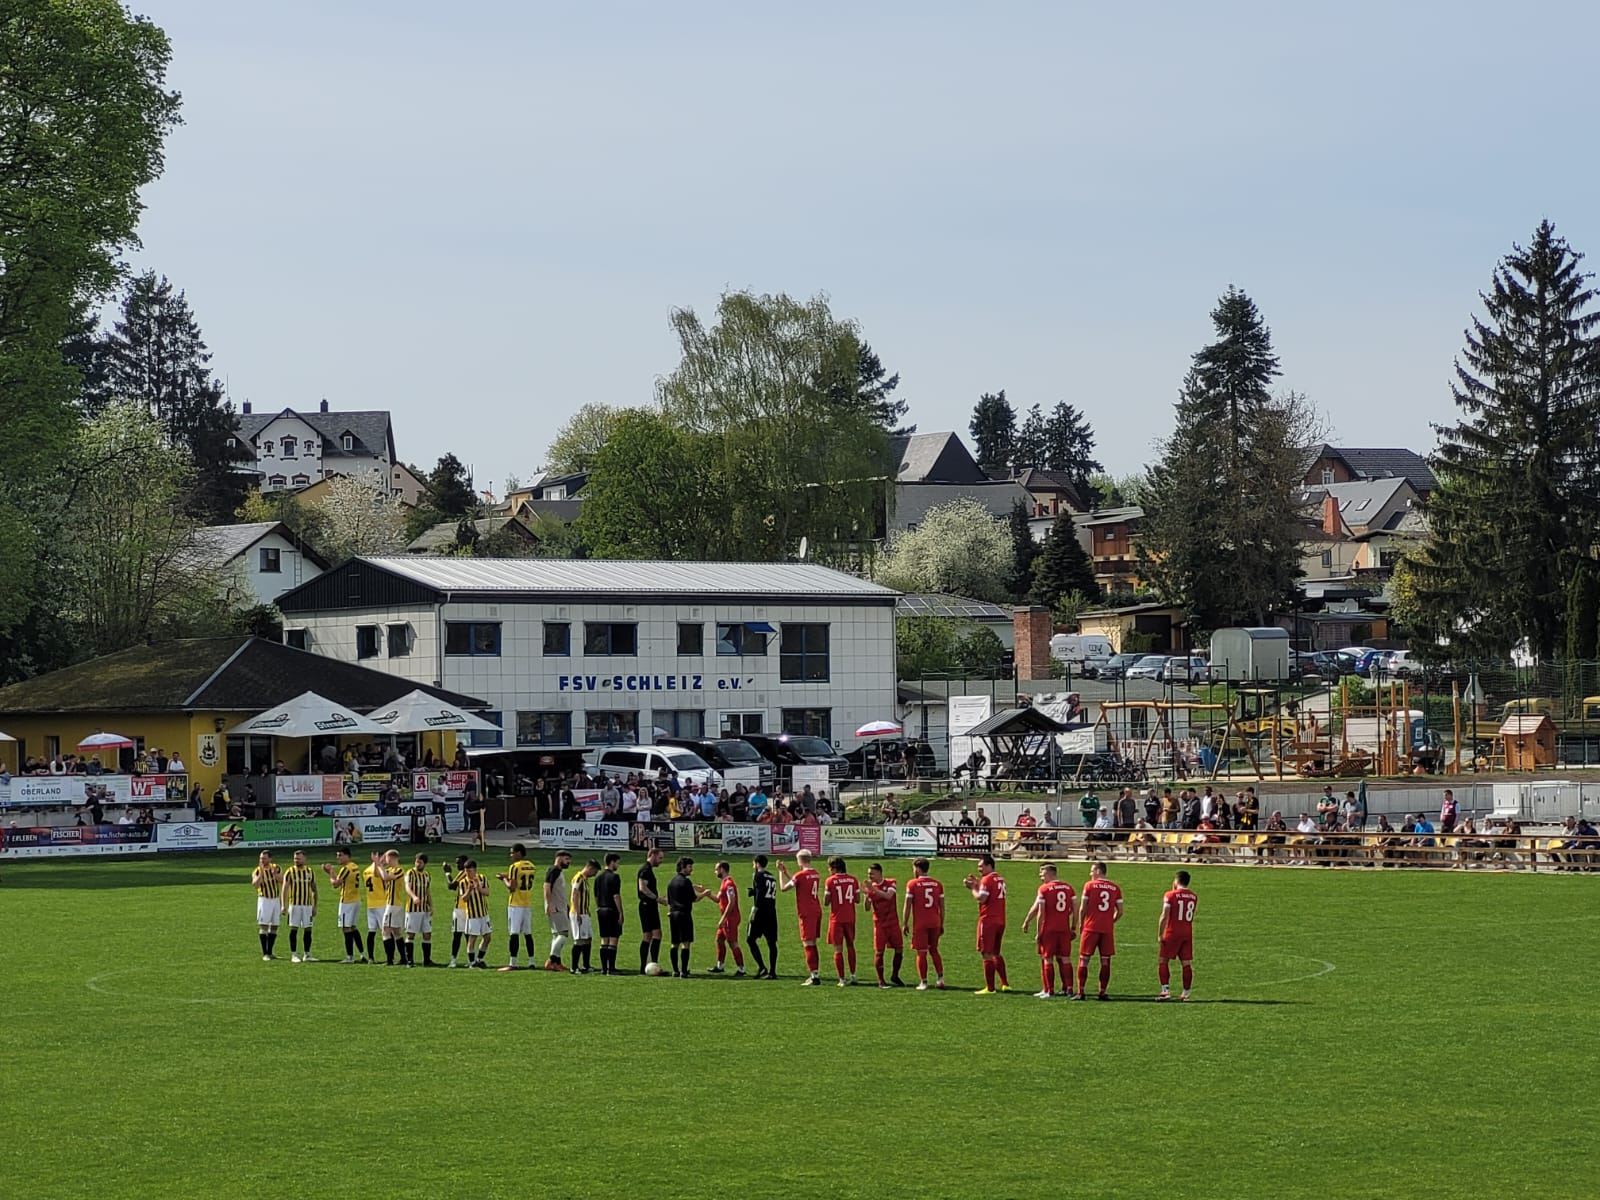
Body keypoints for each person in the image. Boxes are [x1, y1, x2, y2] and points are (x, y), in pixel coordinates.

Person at [1020, 862, 1076, 999]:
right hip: (1064, 928)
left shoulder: (1044, 889)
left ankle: (1049, 991)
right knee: (1065, 958)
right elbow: (1075, 909)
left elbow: (1040, 912)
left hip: (1049, 929)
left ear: (1050, 874)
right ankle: (1069, 989)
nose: (1040, 876)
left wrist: (1038, 931)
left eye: (1042, 873)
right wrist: (1073, 927)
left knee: (1047, 959)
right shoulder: (1069, 888)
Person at [1076, 861, 1124, 1000]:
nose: (1090, 873)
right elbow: (1120, 911)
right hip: (1107, 929)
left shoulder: (1089, 885)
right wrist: (1111, 921)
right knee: (1105, 961)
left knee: (1084, 960)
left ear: (1098, 871)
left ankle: (1081, 992)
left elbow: (1083, 908)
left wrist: (1081, 924)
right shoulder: (1115, 888)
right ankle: (1102, 992)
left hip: (1090, 927)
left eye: (1092, 871)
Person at [777, 849, 824, 985]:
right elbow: (798, 881)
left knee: (808, 944)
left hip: (806, 912)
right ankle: (815, 973)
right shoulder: (815, 873)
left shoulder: (800, 875)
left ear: (800, 860)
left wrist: (780, 873)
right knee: (813, 943)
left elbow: (784, 888)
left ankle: (814, 976)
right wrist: (786, 872)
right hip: (816, 910)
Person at [964, 854, 1009, 995]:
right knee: (996, 952)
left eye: (981, 866)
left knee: (986, 953)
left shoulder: (987, 879)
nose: (979, 869)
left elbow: (982, 898)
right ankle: (1005, 984)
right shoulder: (1000, 878)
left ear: (989, 865)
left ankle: (990, 988)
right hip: (1001, 919)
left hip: (988, 920)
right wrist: (978, 883)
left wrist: (972, 888)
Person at [901, 858, 945, 990]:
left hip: (921, 923)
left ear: (918, 868)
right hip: (935, 921)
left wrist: (905, 923)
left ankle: (923, 982)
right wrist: (941, 923)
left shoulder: (912, 884)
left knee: (921, 952)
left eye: (914, 868)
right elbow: (942, 907)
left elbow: (907, 906)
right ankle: (940, 978)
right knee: (934, 950)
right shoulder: (937, 884)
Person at [665, 856, 711, 977]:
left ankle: (675, 970)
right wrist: (705, 894)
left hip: (673, 914)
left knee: (674, 943)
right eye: (690, 867)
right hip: (684, 914)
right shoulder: (686, 882)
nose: (691, 869)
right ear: (683, 867)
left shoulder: (671, 882)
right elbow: (694, 899)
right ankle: (684, 971)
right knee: (686, 943)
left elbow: (669, 901)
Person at [496, 844, 539, 970]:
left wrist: (504, 879)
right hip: (527, 902)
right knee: (528, 933)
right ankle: (531, 962)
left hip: (516, 904)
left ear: (518, 853)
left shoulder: (514, 867)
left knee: (514, 933)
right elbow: (521, 880)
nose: (511, 855)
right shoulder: (531, 866)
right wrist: (509, 876)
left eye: (512, 853)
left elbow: (512, 887)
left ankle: (512, 963)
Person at [1157, 869, 1197, 1001]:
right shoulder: (1193, 896)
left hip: (1172, 931)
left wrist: (1160, 934)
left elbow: (1164, 915)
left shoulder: (1170, 895)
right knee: (1186, 963)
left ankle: (1165, 991)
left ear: (1176, 880)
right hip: (1187, 931)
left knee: (1163, 960)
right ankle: (1186, 993)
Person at [864, 863, 905, 988]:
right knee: (879, 952)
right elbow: (866, 908)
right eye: (868, 874)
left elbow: (888, 896)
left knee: (899, 949)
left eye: (872, 873)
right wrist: (867, 894)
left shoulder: (890, 883)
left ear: (879, 873)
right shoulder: (871, 888)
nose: (869, 876)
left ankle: (895, 975)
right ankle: (881, 981)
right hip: (880, 924)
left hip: (893, 922)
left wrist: (874, 890)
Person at [323, 848, 367, 963]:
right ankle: (362, 954)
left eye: (340, 855)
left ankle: (349, 957)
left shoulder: (345, 868)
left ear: (347, 856)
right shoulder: (355, 866)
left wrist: (330, 872)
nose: (338, 858)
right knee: (353, 927)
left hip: (347, 901)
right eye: (337, 855)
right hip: (356, 900)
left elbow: (335, 884)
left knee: (346, 928)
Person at [823, 856, 861, 987]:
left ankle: (841, 979)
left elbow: (826, 902)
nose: (829, 870)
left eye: (830, 868)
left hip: (836, 919)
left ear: (834, 868)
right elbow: (857, 899)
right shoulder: (853, 879)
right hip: (850, 917)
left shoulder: (830, 881)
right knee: (850, 946)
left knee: (838, 949)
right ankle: (853, 975)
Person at [708, 861, 747, 976]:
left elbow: (732, 902)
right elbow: (717, 899)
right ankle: (720, 965)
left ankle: (741, 968)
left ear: (722, 869)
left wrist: (723, 918)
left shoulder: (729, 884)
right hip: (727, 918)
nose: (715, 872)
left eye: (716, 869)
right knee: (719, 939)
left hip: (730, 918)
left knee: (732, 943)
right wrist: (705, 893)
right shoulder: (724, 883)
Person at [282, 849, 319, 963]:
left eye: (298, 858)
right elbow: (284, 889)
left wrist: (315, 906)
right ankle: (294, 954)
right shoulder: (290, 871)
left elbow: (314, 889)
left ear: (304, 859)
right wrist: (283, 905)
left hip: (307, 905)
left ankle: (307, 954)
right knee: (294, 928)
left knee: (308, 929)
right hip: (295, 905)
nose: (296, 860)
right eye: (295, 858)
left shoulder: (309, 871)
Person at [746, 854, 780, 979]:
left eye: (754, 864)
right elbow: (766, 891)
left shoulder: (757, 875)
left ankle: (762, 967)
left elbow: (761, 893)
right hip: (771, 911)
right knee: (771, 942)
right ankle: (772, 971)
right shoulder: (772, 876)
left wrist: (754, 910)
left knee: (750, 939)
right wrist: (753, 892)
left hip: (761, 912)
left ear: (757, 863)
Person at [370, 849, 405, 966]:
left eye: (386, 858)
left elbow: (385, 877)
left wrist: (380, 865)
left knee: (385, 930)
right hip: (392, 904)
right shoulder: (389, 869)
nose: (385, 860)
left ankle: (390, 960)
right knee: (396, 931)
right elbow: (376, 874)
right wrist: (376, 864)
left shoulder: (399, 870)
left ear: (392, 858)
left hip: (393, 905)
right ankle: (403, 958)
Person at [637, 846, 666, 973]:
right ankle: (653, 965)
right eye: (660, 858)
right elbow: (642, 888)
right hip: (648, 906)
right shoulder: (645, 870)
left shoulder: (647, 869)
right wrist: (657, 898)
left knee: (648, 936)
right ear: (652, 855)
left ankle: (644, 967)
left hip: (647, 906)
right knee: (657, 934)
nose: (661, 861)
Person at [403, 853, 435, 967]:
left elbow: (427, 891)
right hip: (412, 909)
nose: (417, 864)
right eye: (416, 861)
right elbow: (407, 886)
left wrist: (431, 905)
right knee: (410, 934)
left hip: (424, 910)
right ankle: (410, 960)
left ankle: (427, 960)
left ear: (424, 864)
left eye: (420, 862)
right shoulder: (410, 873)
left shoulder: (426, 875)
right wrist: (414, 897)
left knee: (427, 934)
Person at [594, 853, 624, 975]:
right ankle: (611, 968)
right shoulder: (614, 877)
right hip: (611, 910)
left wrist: (599, 907)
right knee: (613, 939)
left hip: (601, 910)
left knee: (604, 939)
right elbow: (616, 896)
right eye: (617, 862)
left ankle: (603, 968)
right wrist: (621, 912)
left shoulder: (598, 878)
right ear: (612, 862)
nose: (618, 865)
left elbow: (596, 896)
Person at [543, 850, 573, 971]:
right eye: (566, 859)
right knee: (563, 934)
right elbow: (546, 887)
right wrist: (549, 904)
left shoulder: (558, 871)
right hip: (556, 907)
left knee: (557, 935)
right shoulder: (554, 870)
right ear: (559, 858)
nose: (568, 862)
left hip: (560, 906)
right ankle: (551, 960)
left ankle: (556, 962)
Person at [458, 860, 491, 968]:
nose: (467, 874)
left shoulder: (482, 878)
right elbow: (464, 899)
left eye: (470, 871)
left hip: (483, 913)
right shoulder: (463, 883)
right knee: (473, 938)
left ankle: (479, 959)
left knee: (487, 937)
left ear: (475, 870)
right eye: (466, 871)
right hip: (472, 915)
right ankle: (472, 962)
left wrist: (479, 888)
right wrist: (469, 890)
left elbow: (487, 892)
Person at [252, 851, 283, 961]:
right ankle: (265, 953)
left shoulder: (276, 868)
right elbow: (255, 885)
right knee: (264, 925)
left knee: (274, 925)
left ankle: (270, 952)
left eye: (264, 858)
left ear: (270, 859)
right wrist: (260, 874)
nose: (262, 861)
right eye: (261, 858)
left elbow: (282, 881)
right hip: (264, 900)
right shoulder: (257, 870)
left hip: (275, 899)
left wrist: (275, 874)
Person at [442, 854, 472, 967]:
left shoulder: (464, 873)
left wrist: (447, 873)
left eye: (458, 862)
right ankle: (470, 960)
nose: (457, 865)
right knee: (468, 935)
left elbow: (451, 886)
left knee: (458, 935)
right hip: (468, 908)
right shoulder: (466, 873)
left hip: (461, 908)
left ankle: (453, 960)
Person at [568, 859, 597, 973]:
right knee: (579, 940)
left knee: (588, 939)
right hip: (578, 914)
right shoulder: (578, 878)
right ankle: (574, 967)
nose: (594, 875)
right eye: (594, 872)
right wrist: (577, 912)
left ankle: (586, 965)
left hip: (585, 913)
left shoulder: (585, 880)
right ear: (590, 868)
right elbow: (574, 894)